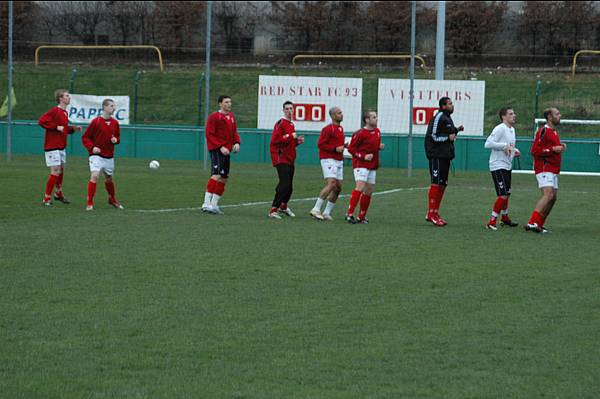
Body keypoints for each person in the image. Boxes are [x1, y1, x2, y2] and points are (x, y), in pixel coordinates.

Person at [525, 107, 566, 233]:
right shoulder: (543, 131)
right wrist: (553, 149)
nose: (560, 115)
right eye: (557, 114)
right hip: (544, 168)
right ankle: (531, 222)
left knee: (553, 198)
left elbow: (552, 147)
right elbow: (534, 151)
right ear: (549, 117)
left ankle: (539, 224)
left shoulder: (554, 132)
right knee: (548, 195)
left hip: (553, 169)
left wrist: (560, 147)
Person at [424, 97, 464, 226]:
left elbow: (448, 133)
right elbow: (433, 136)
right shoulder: (439, 116)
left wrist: (456, 130)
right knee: (436, 183)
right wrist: (448, 137)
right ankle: (431, 213)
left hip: (445, 156)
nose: (453, 105)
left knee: (442, 184)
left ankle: (435, 212)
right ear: (443, 106)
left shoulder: (447, 118)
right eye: (450, 104)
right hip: (436, 155)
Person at [38, 89, 82, 206]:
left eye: (69, 96)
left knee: (61, 169)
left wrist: (73, 128)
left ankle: (58, 193)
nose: (69, 98)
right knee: (55, 170)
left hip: (61, 146)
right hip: (52, 145)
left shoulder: (64, 113)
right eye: (66, 96)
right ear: (60, 98)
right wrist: (56, 127)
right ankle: (46, 198)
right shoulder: (55, 111)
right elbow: (42, 121)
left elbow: (64, 129)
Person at [81, 98, 123, 211]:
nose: (113, 108)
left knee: (109, 178)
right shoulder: (96, 122)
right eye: (111, 106)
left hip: (109, 155)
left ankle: (112, 199)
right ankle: (90, 203)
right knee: (94, 175)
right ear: (104, 107)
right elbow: (85, 137)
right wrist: (92, 147)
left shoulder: (115, 123)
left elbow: (118, 138)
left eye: (114, 106)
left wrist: (116, 140)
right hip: (96, 156)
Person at [202, 95, 241, 214]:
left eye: (230, 102)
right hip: (217, 150)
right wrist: (220, 146)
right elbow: (209, 134)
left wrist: (236, 143)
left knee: (224, 178)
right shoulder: (214, 117)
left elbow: (234, 132)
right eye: (226, 102)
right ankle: (206, 203)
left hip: (227, 151)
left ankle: (214, 205)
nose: (229, 104)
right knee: (216, 174)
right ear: (220, 104)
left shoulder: (232, 117)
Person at [345, 110, 385, 224]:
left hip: (372, 165)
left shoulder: (377, 131)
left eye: (376, 117)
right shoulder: (360, 133)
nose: (376, 119)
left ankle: (361, 216)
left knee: (369, 190)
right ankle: (349, 213)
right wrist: (363, 156)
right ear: (367, 120)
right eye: (373, 117)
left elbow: (372, 147)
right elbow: (351, 149)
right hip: (360, 164)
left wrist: (379, 147)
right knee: (360, 187)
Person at [484, 107, 521, 230]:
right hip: (497, 165)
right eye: (511, 114)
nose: (514, 115)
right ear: (503, 117)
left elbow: (508, 147)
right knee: (503, 195)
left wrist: (514, 151)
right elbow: (488, 143)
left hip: (507, 165)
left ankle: (504, 217)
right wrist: (504, 146)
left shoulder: (512, 130)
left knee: (507, 193)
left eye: (514, 113)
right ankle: (491, 221)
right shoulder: (500, 128)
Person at [268, 101, 304, 219]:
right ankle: (273, 209)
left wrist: (297, 141)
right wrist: (289, 136)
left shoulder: (291, 124)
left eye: (291, 109)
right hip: (280, 157)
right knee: (284, 184)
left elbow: (289, 144)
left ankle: (283, 206)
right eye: (287, 109)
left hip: (290, 158)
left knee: (289, 186)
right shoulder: (281, 123)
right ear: (283, 110)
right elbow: (275, 140)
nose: (289, 111)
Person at [310, 106, 345, 221]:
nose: (341, 114)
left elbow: (337, 145)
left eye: (341, 113)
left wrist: (344, 147)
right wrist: (335, 149)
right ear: (333, 116)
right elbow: (320, 144)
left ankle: (326, 212)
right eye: (339, 113)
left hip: (338, 160)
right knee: (331, 183)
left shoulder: (340, 129)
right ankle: (316, 209)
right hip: (328, 159)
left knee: (338, 188)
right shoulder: (328, 129)